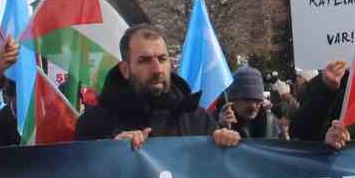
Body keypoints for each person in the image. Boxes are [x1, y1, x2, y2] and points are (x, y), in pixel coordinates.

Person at [74, 24, 240, 148]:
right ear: (125, 69)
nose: (157, 69)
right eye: (144, 61)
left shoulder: (197, 118)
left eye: (162, 59)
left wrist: (226, 143)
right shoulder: (93, 123)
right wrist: (111, 151)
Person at [216, 66, 284, 139]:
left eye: (258, 101)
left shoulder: (270, 122)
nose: (253, 106)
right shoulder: (216, 118)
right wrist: (222, 128)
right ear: (233, 100)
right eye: (247, 100)